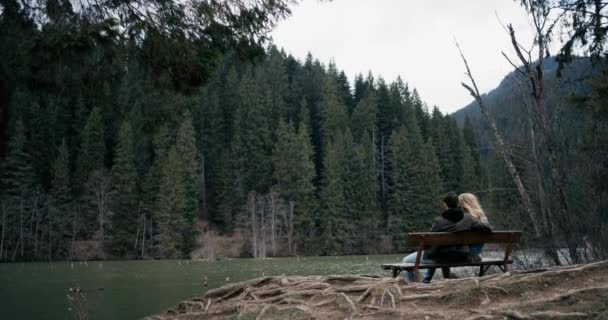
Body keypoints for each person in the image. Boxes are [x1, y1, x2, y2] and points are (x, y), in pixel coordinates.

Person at [402, 192, 491, 283]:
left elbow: (430, 245)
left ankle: (420, 282)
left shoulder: (462, 219)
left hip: (462, 255)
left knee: (411, 259)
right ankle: (429, 279)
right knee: (441, 251)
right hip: (471, 255)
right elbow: (488, 229)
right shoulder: (481, 220)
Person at [458, 193, 489, 262]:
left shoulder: (461, 218)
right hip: (476, 253)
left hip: (462, 254)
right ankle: (475, 254)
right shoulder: (483, 219)